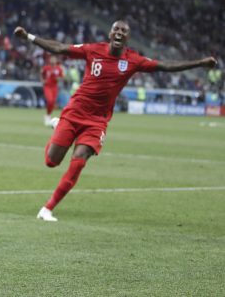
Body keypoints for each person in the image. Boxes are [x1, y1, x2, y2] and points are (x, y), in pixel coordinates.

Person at [14, 21, 217, 222]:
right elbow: (59, 48)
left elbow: (165, 66)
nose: (119, 33)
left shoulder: (133, 60)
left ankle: (47, 209)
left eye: (124, 31)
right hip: (75, 112)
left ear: (128, 38)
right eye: (116, 29)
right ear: (110, 34)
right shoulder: (93, 50)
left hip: (97, 121)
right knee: (51, 162)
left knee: (79, 160)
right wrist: (29, 37)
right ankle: (58, 125)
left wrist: (199, 63)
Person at [41, 54, 64, 126]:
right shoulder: (46, 68)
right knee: (50, 100)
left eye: (54, 59)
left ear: (56, 60)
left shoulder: (59, 69)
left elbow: (62, 77)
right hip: (47, 86)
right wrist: (42, 80)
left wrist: (59, 79)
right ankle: (48, 116)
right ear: (50, 60)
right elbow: (41, 73)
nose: (53, 60)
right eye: (52, 59)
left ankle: (48, 115)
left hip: (54, 87)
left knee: (53, 102)